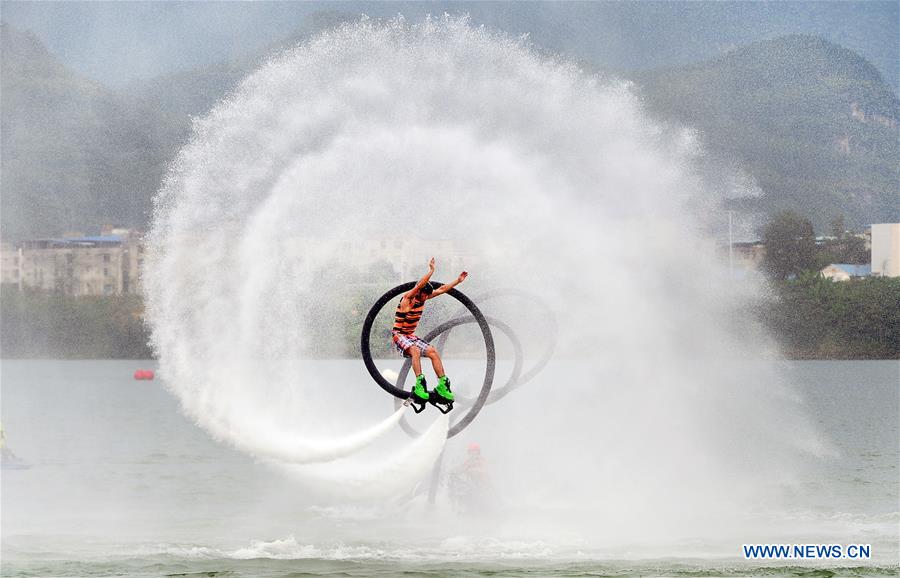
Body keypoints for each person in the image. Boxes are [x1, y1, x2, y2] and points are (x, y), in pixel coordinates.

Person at [392, 257, 467, 404]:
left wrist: (457, 281)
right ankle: (420, 383)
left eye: (427, 296)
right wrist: (431, 271)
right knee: (415, 350)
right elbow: (419, 285)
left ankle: (443, 385)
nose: (426, 298)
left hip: (410, 336)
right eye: (425, 295)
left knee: (433, 351)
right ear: (419, 292)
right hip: (399, 335)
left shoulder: (423, 298)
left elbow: (442, 289)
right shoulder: (407, 299)